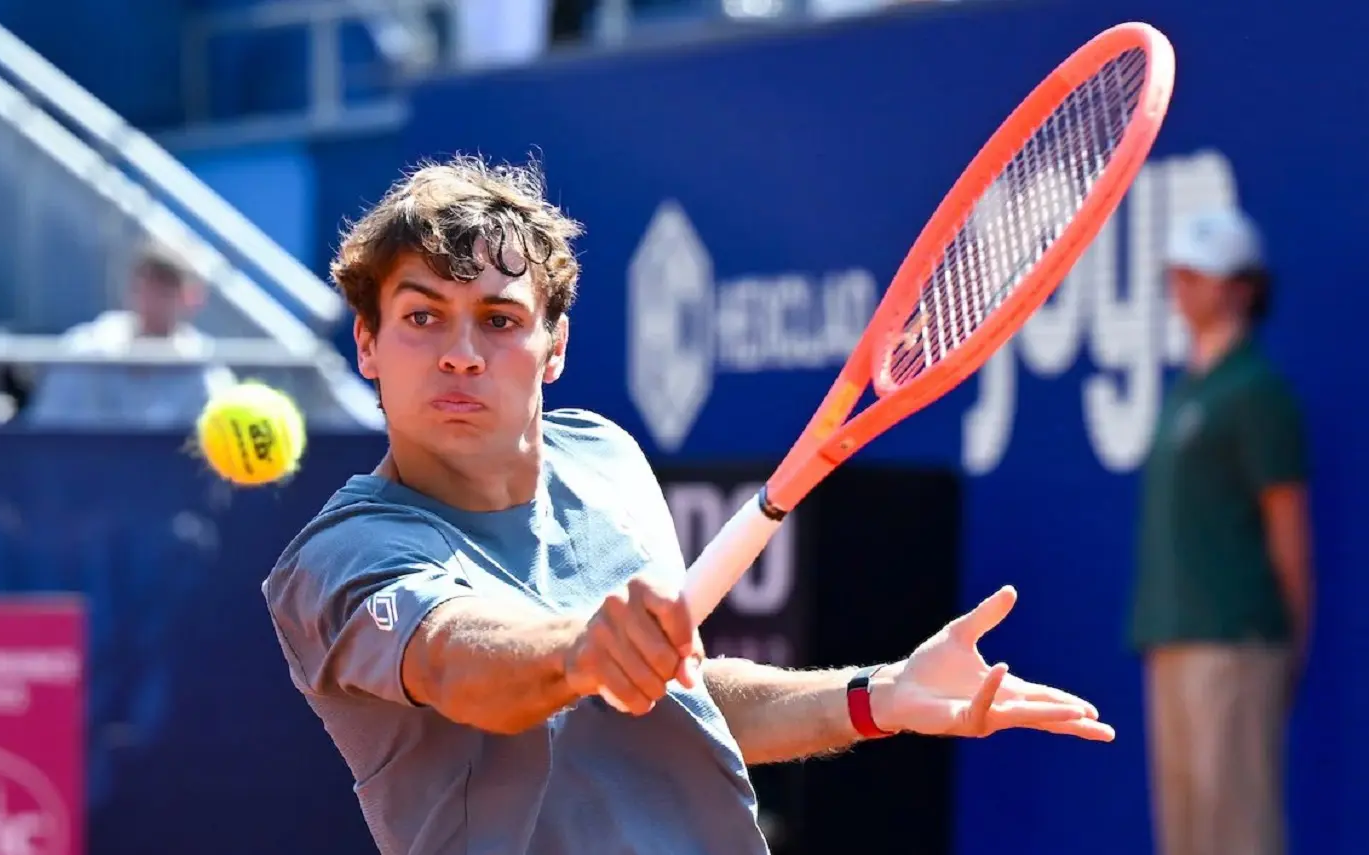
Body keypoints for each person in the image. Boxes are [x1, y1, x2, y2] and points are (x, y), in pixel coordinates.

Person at [262, 154, 1112, 855]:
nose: (460, 353)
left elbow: (680, 705)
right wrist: (579, 649)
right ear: (367, 343)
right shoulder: (338, 558)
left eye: (497, 319)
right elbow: (461, 663)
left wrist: (875, 694)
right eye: (422, 317)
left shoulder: (605, 458)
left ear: (554, 347)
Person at [1130, 207, 1313, 855]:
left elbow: (1288, 527)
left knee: (1236, 830)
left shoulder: (1257, 392)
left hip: (1235, 641)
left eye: (1196, 275)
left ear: (1240, 288)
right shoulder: (1189, 391)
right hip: (1173, 637)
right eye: (1176, 274)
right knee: (1185, 830)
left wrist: (1290, 642)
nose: (1180, 287)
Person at [26, 241, 235, 429]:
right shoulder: (85, 350)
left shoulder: (206, 369)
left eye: (168, 283)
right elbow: (48, 433)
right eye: (149, 280)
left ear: (192, 296)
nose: (155, 294)